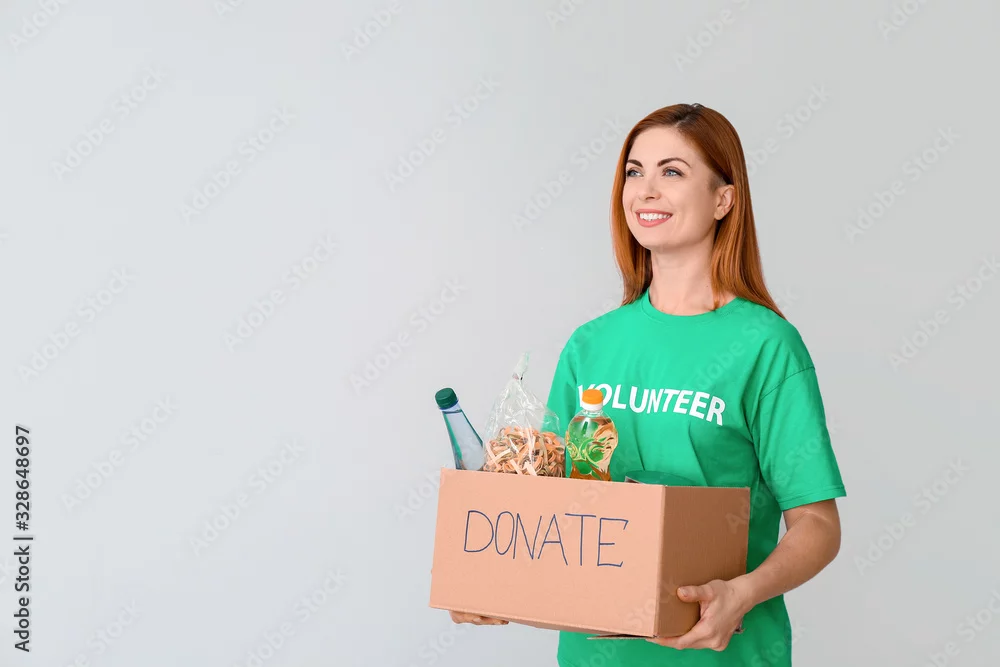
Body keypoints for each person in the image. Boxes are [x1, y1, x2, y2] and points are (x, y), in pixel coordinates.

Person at [451, 103, 846, 666]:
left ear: (723, 200)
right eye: (634, 172)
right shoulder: (591, 344)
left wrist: (741, 594)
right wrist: (484, 576)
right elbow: (549, 506)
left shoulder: (765, 345)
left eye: (672, 171)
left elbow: (817, 524)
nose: (645, 190)